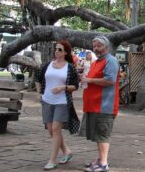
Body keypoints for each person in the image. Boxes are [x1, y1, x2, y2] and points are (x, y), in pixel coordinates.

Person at [36, 40, 80, 170]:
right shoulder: (47, 65)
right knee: (51, 130)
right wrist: (39, 93)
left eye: (60, 49)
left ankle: (52, 160)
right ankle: (67, 151)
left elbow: (75, 86)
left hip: (62, 102)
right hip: (47, 101)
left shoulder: (70, 67)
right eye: (56, 49)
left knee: (56, 129)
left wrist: (63, 87)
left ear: (66, 52)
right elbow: (38, 79)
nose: (56, 51)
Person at [81, 35, 120, 172]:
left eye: (99, 46)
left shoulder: (111, 61)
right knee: (98, 133)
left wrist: (90, 80)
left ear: (106, 47)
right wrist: (86, 79)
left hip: (105, 105)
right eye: (94, 46)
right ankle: (100, 159)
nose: (96, 48)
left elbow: (110, 80)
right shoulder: (96, 62)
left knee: (103, 134)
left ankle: (103, 164)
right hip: (94, 105)